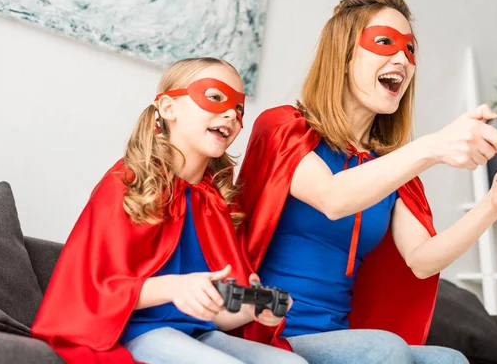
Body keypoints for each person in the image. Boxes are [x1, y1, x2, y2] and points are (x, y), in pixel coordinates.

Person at [237, 0, 497, 364]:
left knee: (449, 360)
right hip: (267, 333)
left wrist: (495, 204)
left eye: (410, 48)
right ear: (345, 54)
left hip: (337, 341)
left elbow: (422, 259)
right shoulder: (283, 127)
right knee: (383, 350)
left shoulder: (393, 169)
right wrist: (432, 147)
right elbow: (333, 198)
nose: (402, 57)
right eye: (384, 42)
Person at [31, 58, 308, 364]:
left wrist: (251, 307)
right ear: (167, 108)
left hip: (197, 332)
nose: (231, 113)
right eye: (215, 97)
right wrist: (173, 287)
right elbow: (92, 290)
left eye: (239, 108)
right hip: (132, 332)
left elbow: (217, 317)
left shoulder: (214, 204)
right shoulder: (128, 182)